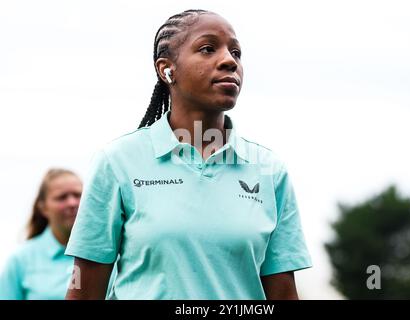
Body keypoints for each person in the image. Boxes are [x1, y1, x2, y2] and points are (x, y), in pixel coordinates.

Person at [65, 9, 312, 300]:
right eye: (208, 49)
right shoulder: (117, 162)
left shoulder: (269, 170)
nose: (229, 61)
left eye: (236, 53)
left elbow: (283, 292)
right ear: (166, 69)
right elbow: (85, 290)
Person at [0, 169, 82, 299]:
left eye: (78, 195)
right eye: (62, 197)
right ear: (43, 207)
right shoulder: (20, 260)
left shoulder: (108, 254)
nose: (72, 203)